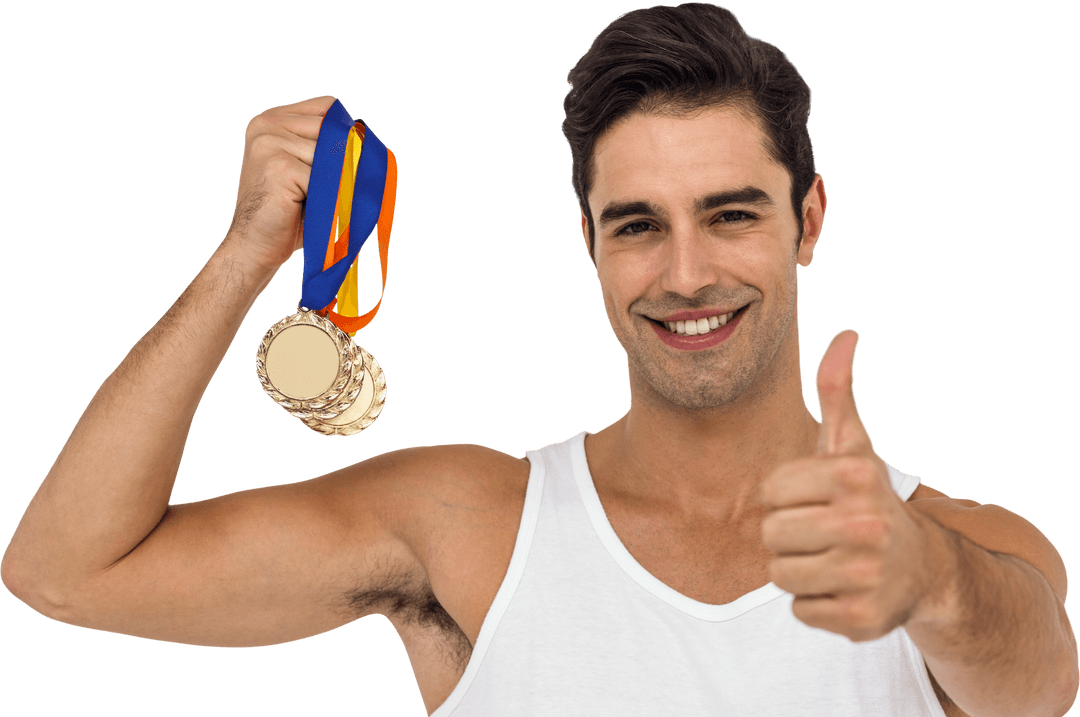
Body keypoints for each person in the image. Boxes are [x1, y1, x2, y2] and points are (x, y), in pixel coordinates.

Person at [2, 3, 1077, 716]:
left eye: (733, 214)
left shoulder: (961, 547)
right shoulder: (470, 527)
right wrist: (245, 255)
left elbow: (1041, 684)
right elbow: (64, 572)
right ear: (589, 245)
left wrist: (928, 577)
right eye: (639, 225)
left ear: (809, 221)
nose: (688, 272)